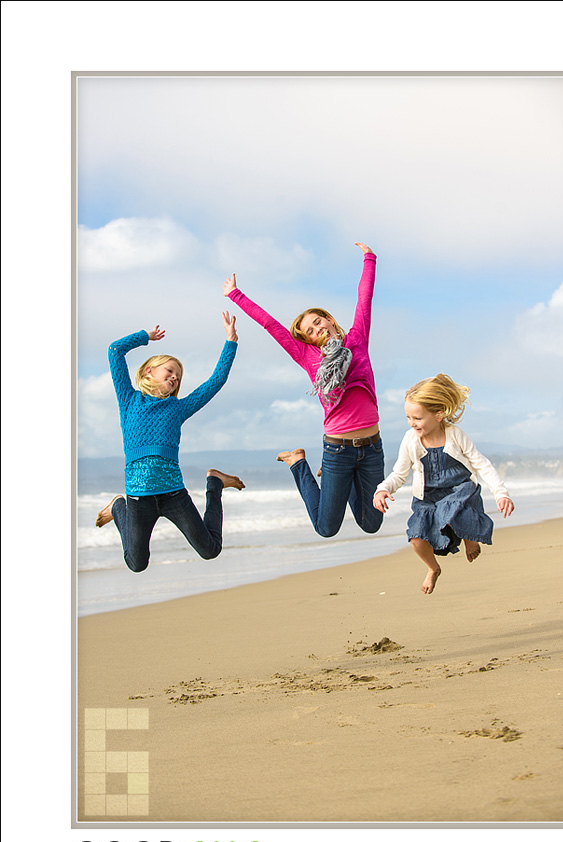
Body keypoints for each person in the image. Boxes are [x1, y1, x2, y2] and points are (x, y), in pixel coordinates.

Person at [223, 242, 384, 538]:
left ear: (330, 320)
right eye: (309, 331)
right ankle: (298, 463)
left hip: (372, 447)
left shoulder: (357, 339)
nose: (316, 329)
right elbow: (271, 325)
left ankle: (341, 480)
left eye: (317, 322)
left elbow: (365, 299)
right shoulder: (308, 358)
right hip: (337, 449)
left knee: (371, 523)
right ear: (308, 342)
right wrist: (236, 295)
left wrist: (369, 259)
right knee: (326, 528)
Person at [95, 313, 245, 572]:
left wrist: (230, 341)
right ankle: (118, 506)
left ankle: (215, 483)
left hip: (173, 494)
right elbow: (115, 351)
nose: (175, 377)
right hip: (139, 497)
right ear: (149, 370)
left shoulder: (178, 408)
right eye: (170, 370)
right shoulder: (129, 400)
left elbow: (215, 382)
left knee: (210, 550)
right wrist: (145, 337)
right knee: (136, 564)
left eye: (178, 375)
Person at [373, 374, 514, 594]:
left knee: (453, 510)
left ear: (438, 414)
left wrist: (501, 493)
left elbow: (482, 464)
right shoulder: (410, 440)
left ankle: (470, 537)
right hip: (427, 498)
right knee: (416, 537)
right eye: (408, 417)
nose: (412, 423)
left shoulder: (455, 435)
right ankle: (433, 568)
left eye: (417, 418)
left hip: (459, 491)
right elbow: (399, 474)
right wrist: (383, 489)